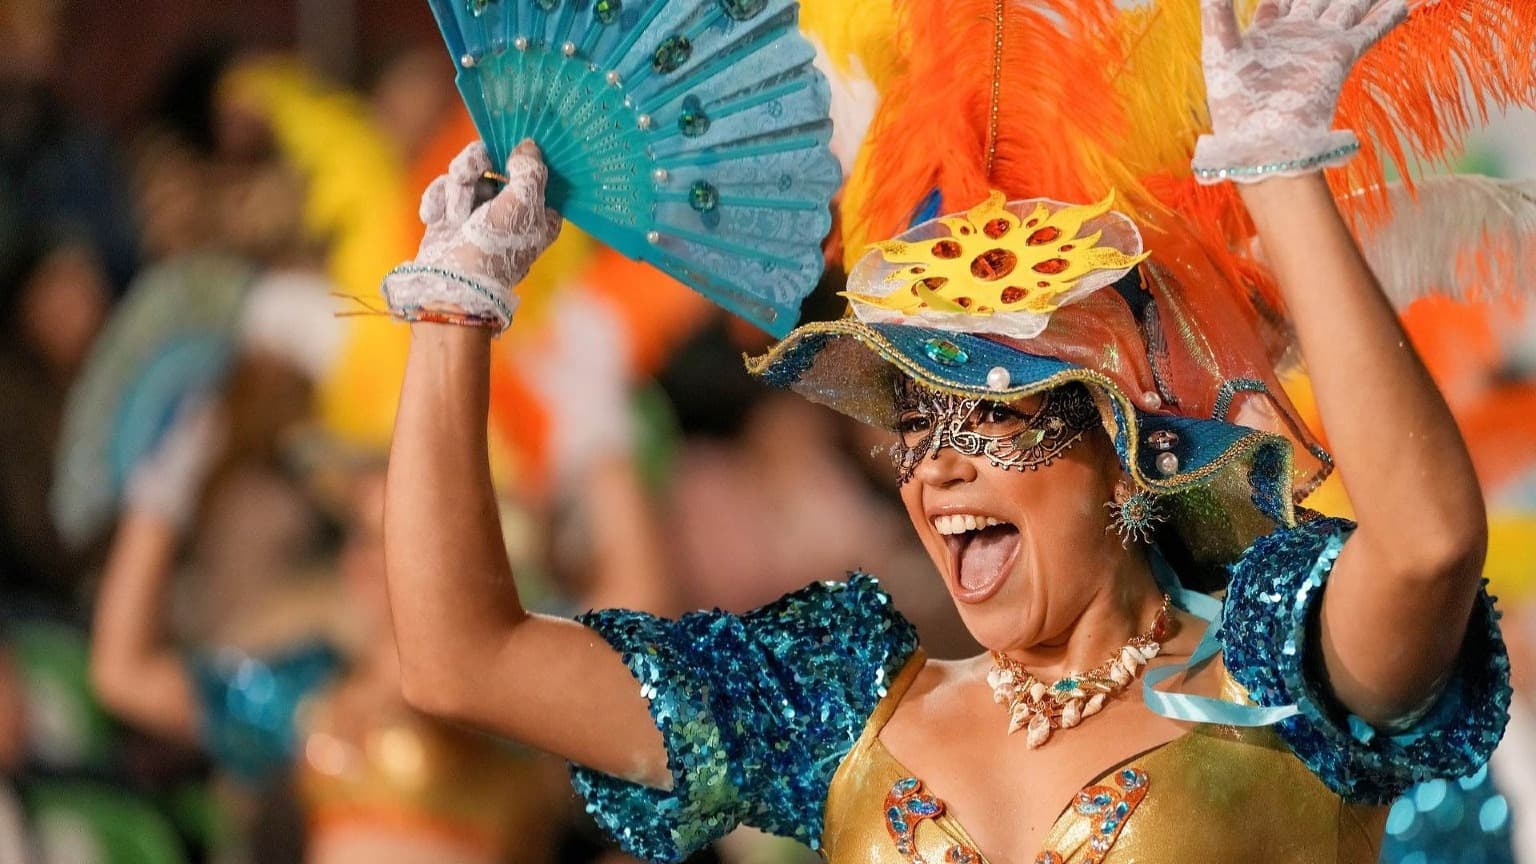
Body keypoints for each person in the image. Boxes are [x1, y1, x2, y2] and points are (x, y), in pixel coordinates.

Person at [379, 1, 1515, 862]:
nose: (941, 466)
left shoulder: (1278, 679)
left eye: (1001, 414)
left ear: (1121, 444)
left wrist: (1276, 165)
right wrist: (452, 311)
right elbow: (463, 658)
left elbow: (1422, 544)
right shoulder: (840, 717)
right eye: (917, 419)